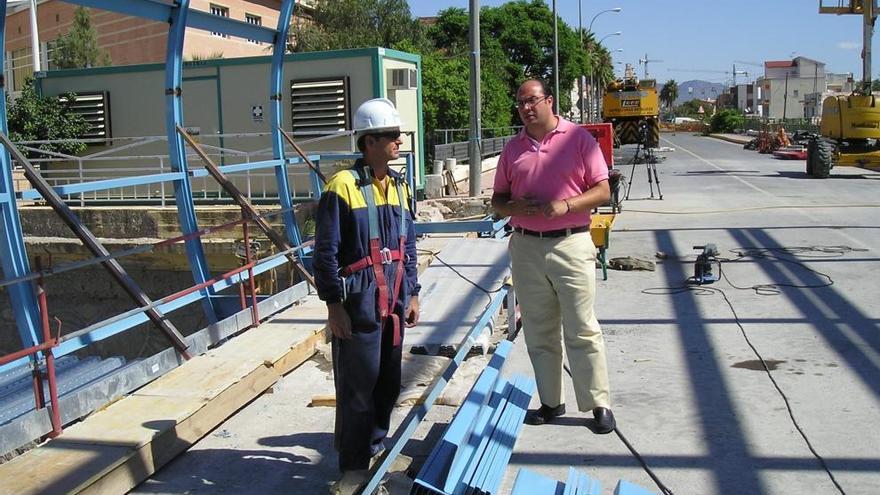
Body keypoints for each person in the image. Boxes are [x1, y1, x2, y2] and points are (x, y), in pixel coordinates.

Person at [492, 79, 615, 434]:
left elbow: (602, 190)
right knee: (539, 329)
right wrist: (511, 206)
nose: (526, 108)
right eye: (520, 103)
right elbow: (498, 200)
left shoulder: (578, 139)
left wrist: (566, 205)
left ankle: (598, 403)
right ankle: (551, 402)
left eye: (532, 101)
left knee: (582, 327)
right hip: (526, 245)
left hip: (570, 242)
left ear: (549, 101)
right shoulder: (512, 149)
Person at [313, 98, 421, 494]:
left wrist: (412, 293)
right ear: (369, 141)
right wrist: (333, 306)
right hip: (357, 300)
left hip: (392, 298)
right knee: (357, 387)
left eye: (398, 135)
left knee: (388, 381)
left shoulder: (399, 185)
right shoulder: (341, 187)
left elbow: (407, 245)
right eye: (392, 136)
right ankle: (354, 465)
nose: (398, 142)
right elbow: (324, 252)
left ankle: (377, 446)